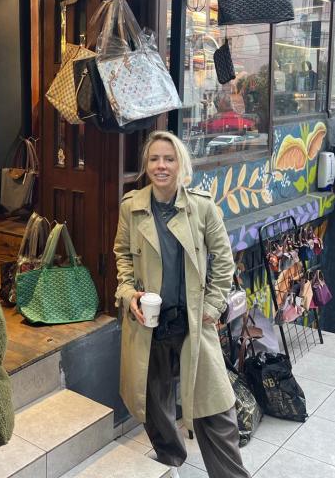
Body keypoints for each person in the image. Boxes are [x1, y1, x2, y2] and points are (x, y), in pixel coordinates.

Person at [113, 130, 250, 478]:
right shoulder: (132, 208)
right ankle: (171, 459)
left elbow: (223, 261)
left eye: (169, 159)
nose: (161, 166)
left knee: (214, 409)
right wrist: (129, 295)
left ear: (180, 165)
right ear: (146, 165)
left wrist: (213, 305)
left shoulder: (201, 207)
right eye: (155, 159)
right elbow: (123, 258)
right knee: (153, 403)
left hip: (193, 321)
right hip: (149, 323)